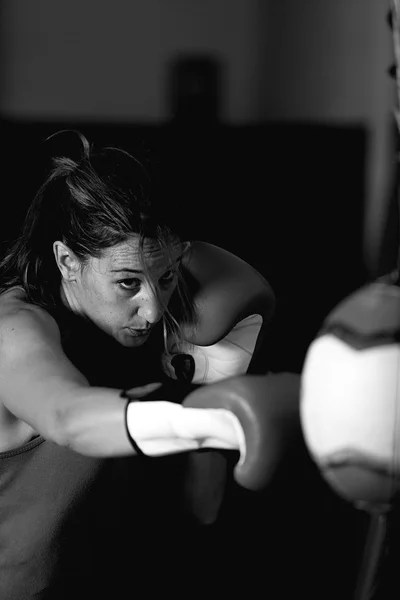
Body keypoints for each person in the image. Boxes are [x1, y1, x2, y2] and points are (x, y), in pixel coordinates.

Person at [0, 130, 280, 598]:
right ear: (67, 261)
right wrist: (211, 422)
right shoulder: (14, 329)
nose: (152, 309)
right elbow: (66, 415)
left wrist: (212, 384)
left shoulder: (136, 325)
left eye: (166, 276)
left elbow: (201, 507)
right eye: (128, 283)